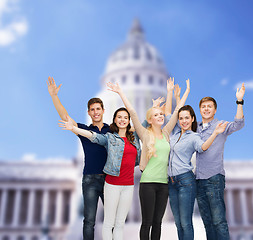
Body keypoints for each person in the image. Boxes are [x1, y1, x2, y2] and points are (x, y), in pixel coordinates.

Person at [107, 79, 190, 240]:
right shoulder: (145, 133)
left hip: (163, 184)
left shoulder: (166, 132)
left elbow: (178, 109)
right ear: (150, 119)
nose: (160, 116)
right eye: (156, 115)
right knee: (147, 223)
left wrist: (179, 91)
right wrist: (120, 92)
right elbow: (132, 112)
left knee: (158, 223)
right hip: (147, 183)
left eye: (161, 114)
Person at [58, 107, 141, 240]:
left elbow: (144, 125)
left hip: (129, 184)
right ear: (114, 120)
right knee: (106, 222)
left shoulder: (134, 138)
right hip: (111, 182)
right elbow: (93, 137)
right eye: (119, 117)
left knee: (119, 223)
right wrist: (74, 129)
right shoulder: (109, 137)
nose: (122, 120)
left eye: (126, 117)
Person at [47, 77, 109, 240]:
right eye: (92, 109)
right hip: (90, 178)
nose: (95, 112)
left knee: (112, 220)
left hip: (109, 179)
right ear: (89, 112)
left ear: (103, 110)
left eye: (98, 109)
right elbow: (66, 117)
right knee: (89, 220)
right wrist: (54, 96)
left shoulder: (112, 130)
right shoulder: (83, 130)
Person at [166, 83, 228, 240]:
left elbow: (203, 147)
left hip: (186, 179)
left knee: (187, 223)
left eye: (187, 118)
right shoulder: (174, 133)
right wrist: (175, 96)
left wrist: (214, 133)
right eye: (181, 118)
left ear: (193, 119)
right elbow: (169, 114)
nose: (183, 121)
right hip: (171, 180)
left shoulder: (194, 136)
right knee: (178, 222)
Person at [195, 83, 245, 240]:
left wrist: (239, 101)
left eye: (209, 106)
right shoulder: (194, 127)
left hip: (214, 178)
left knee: (219, 221)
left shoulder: (221, 125)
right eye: (203, 106)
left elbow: (239, 124)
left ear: (214, 110)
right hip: (198, 179)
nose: (206, 109)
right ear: (200, 109)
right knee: (208, 222)